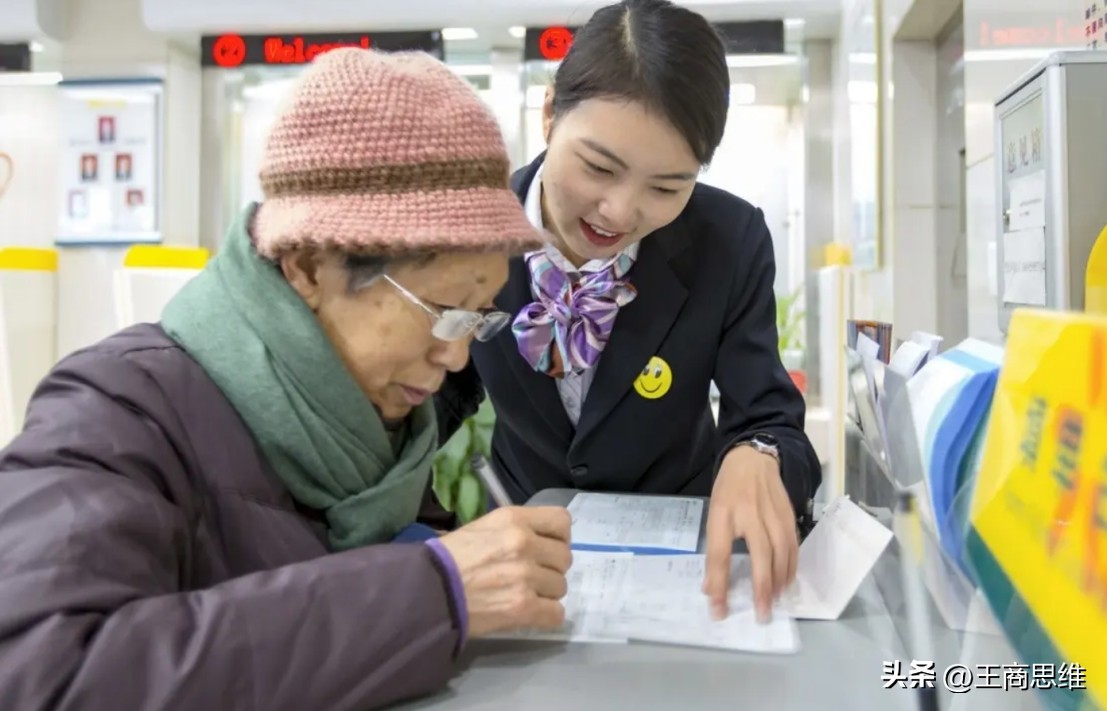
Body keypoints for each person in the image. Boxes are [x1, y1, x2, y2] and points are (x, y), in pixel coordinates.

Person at [0, 48, 573, 711]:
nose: (455, 356)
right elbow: (42, 675)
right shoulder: (116, 411)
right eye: (442, 312)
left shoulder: (371, 416)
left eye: (479, 317)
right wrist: (428, 591)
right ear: (306, 267)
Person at [437, 0, 821, 624]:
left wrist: (760, 455)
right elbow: (435, 392)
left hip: (683, 565)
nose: (618, 212)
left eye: (666, 188)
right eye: (597, 167)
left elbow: (770, 416)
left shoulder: (729, 240)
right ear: (549, 114)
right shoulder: (475, 227)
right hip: (520, 544)